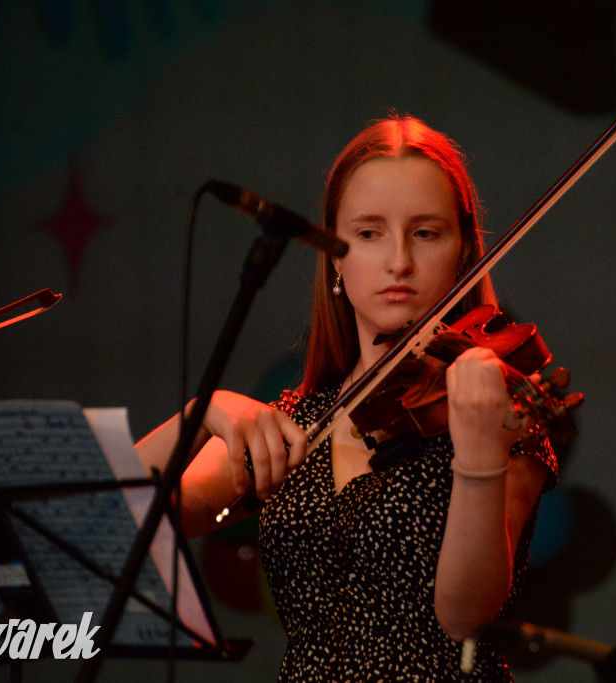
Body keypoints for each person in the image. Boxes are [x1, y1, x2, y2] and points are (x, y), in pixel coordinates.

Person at [136, 114, 558, 681]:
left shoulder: (496, 410)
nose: (398, 262)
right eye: (368, 233)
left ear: (463, 250)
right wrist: (203, 411)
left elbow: (465, 618)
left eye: (426, 233)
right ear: (335, 254)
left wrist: (480, 453)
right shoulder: (295, 424)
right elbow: (116, 527)